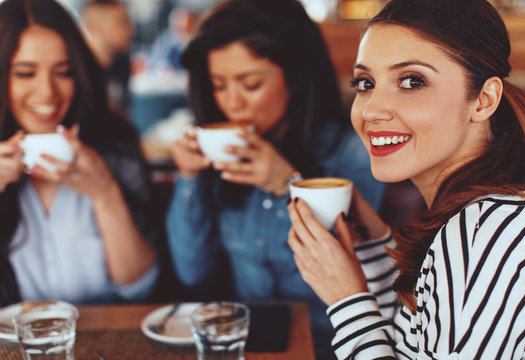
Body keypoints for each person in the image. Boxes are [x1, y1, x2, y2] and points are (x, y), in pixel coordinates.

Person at [287, 0, 525, 358]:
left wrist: (346, 300)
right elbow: (417, 342)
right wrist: (373, 246)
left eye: (411, 81)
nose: (372, 109)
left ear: (483, 100)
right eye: (366, 83)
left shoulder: (480, 232)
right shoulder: (474, 218)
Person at [165, 0, 385, 358]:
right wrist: (189, 177)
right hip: (246, 346)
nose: (231, 104)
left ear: (296, 77)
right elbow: (192, 270)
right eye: (218, 85)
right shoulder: (220, 158)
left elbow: (360, 274)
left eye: (250, 84)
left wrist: (289, 184)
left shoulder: (352, 152)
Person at [0, 0, 159, 306]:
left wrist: (105, 193)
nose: (47, 92)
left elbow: (141, 290)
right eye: (25, 73)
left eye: (63, 72)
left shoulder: (115, 148)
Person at [82, 0, 134, 117]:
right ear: (93, 27)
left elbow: (123, 117)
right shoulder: (79, 69)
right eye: (121, 23)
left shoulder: (121, 62)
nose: (131, 31)